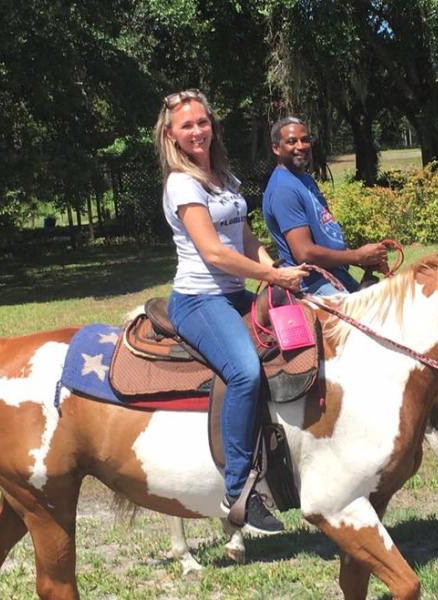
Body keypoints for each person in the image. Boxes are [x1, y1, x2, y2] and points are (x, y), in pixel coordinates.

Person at [154, 90, 307, 535]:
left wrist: (275, 268)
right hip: (199, 301)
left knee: (304, 337)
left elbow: (244, 238)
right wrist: (274, 279)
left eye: (203, 122)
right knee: (244, 372)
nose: (197, 131)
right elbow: (214, 254)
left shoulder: (223, 176)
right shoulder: (181, 183)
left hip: (237, 293)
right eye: (187, 125)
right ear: (171, 134)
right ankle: (238, 493)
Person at [262, 117, 388, 295]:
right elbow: (304, 253)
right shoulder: (283, 188)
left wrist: (364, 259)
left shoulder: (304, 179)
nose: (301, 146)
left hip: (334, 275)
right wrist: (357, 256)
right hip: (311, 284)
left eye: (305, 140)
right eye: (291, 141)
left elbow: (326, 238)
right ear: (276, 148)